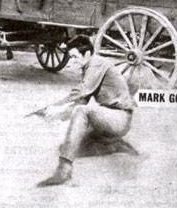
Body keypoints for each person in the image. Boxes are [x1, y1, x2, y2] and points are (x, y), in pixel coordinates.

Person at [36, 35, 137, 187]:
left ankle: (63, 171)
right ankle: (115, 144)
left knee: (82, 112)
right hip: (109, 118)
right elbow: (81, 100)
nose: (73, 61)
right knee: (68, 147)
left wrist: (57, 107)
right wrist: (57, 114)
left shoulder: (96, 63)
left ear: (87, 54)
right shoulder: (90, 67)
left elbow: (82, 93)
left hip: (119, 118)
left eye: (75, 57)